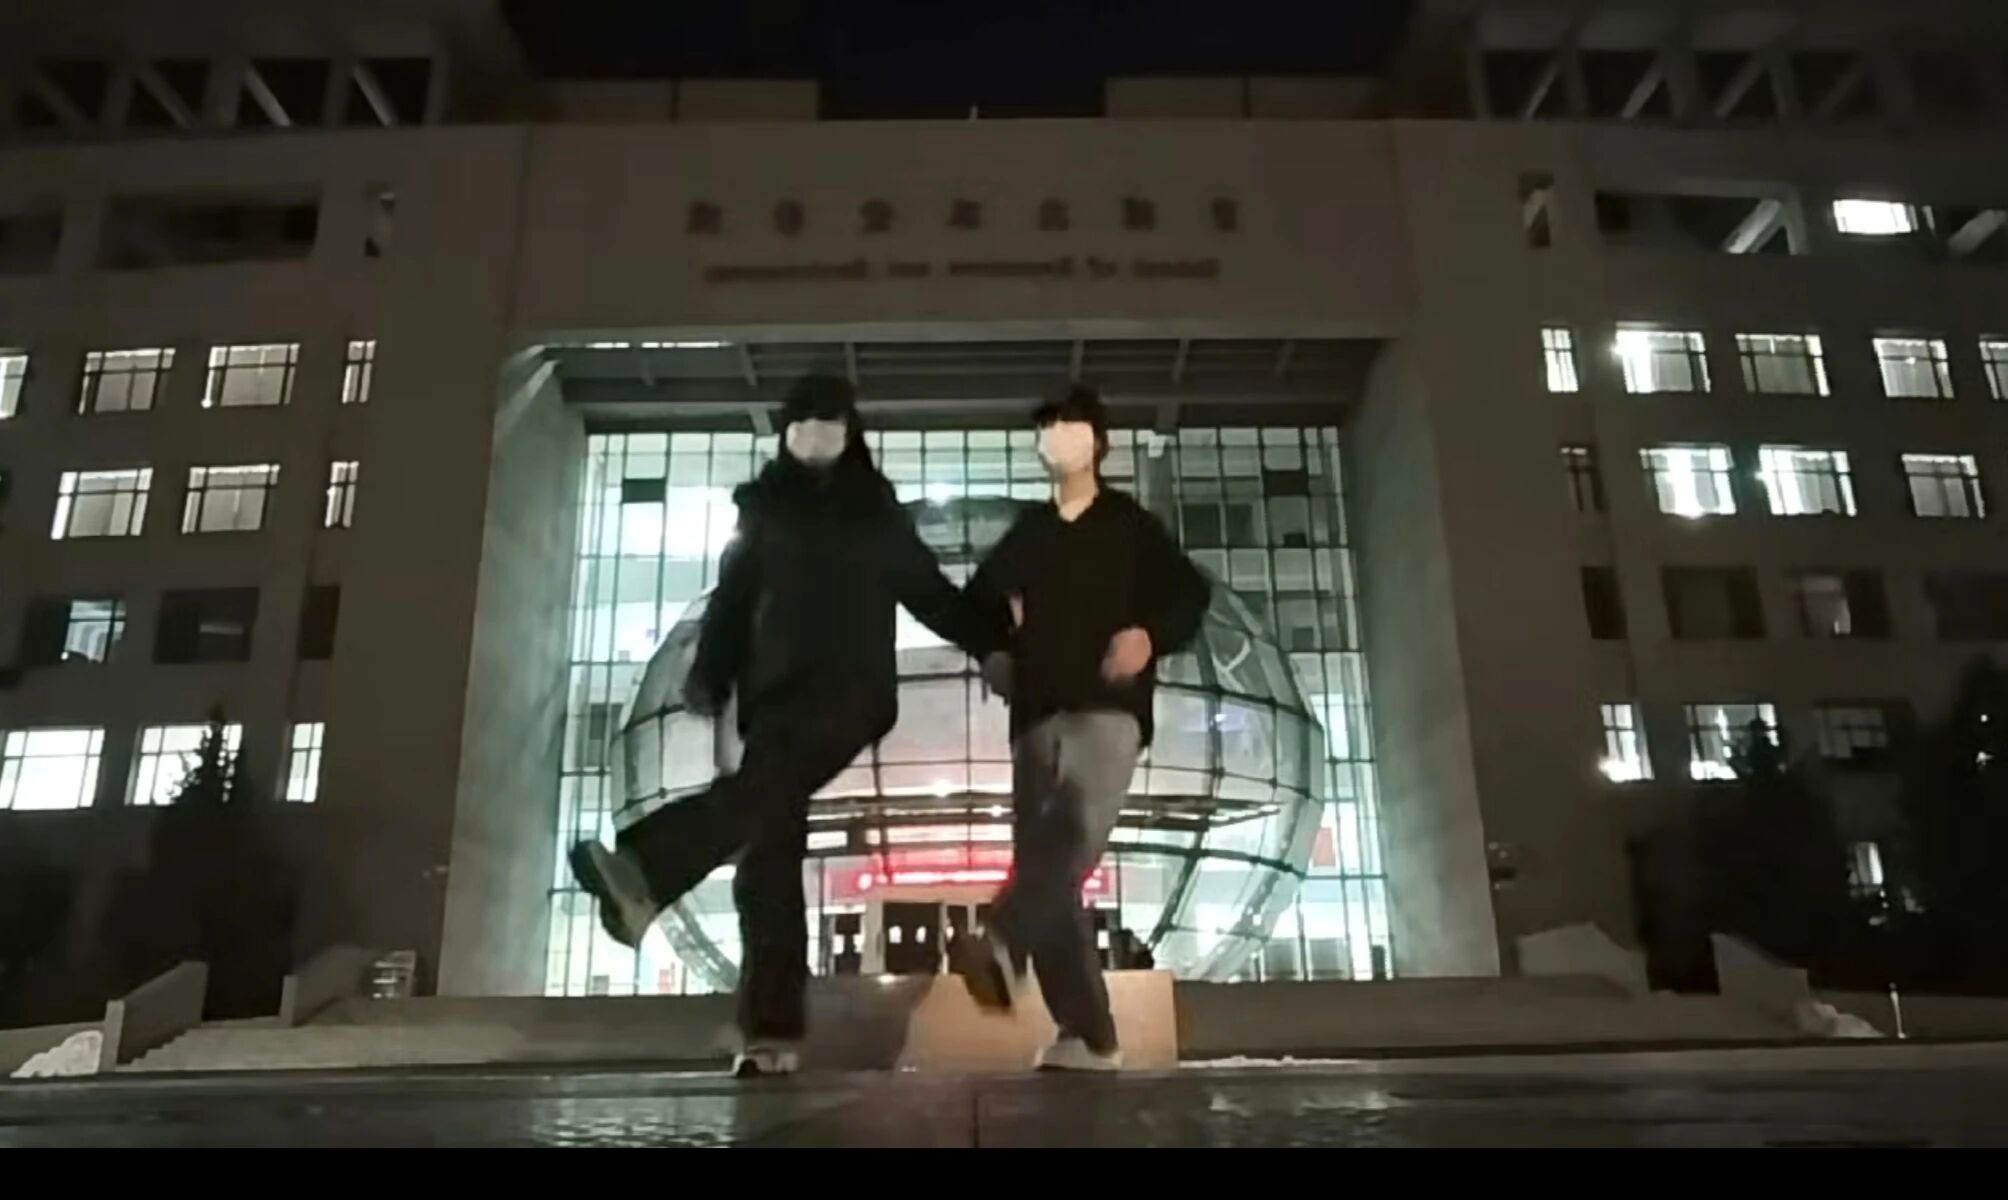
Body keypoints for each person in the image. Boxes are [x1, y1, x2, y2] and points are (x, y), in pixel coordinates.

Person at [568, 373, 980, 1078]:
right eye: (802, 420)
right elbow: (732, 602)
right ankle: (770, 1031)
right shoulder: (764, 515)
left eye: (829, 420)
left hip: (849, 691)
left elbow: (932, 596)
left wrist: (998, 642)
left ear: (850, 432)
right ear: (784, 432)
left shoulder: (874, 514)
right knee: (768, 856)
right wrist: (709, 675)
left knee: (765, 805)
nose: (814, 433)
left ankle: (647, 870)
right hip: (774, 700)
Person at [955, 385, 1210, 1071]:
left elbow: (1189, 594)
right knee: (1049, 869)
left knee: (1071, 827)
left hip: (1107, 707)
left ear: (1100, 442)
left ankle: (1003, 939)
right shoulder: (1029, 533)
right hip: (1036, 713)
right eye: (1047, 428)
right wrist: (995, 652)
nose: (1057, 438)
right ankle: (1089, 1034)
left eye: (1070, 426)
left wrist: (1149, 637)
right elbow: (976, 605)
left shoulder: (1130, 525)